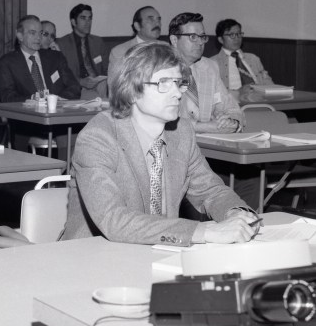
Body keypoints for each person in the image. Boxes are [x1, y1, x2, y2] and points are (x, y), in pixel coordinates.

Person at [63, 41, 259, 245]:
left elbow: (210, 190)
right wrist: (203, 231)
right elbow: (114, 221)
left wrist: (236, 214)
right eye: (163, 83)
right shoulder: (98, 137)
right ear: (132, 90)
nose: (177, 93)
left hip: (161, 253)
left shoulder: (181, 131)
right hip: (94, 256)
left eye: (179, 82)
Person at [168, 12, 243, 132]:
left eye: (202, 37)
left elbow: (233, 109)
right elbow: (161, 120)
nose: (200, 42)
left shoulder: (210, 68)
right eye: (193, 37)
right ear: (174, 40)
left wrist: (231, 122)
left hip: (209, 142)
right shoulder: (159, 69)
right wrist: (205, 127)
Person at [0, 15, 81, 103]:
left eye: (40, 33)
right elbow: (7, 97)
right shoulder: (7, 62)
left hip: (58, 111)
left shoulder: (56, 57)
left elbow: (74, 87)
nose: (38, 37)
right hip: (27, 113)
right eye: (32, 33)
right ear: (20, 35)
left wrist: (56, 100)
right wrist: (33, 100)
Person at [55, 3, 108, 99]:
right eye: (83, 18)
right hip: (79, 86)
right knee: (95, 97)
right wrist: (80, 81)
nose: (88, 22)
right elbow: (61, 74)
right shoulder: (62, 44)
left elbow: (106, 68)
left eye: (90, 18)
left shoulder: (97, 42)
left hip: (100, 84)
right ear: (73, 22)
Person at [210, 18, 273, 97]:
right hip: (232, 104)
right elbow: (212, 94)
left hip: (259, 101)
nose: (237, 38)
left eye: (239, 34)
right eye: (231, 35)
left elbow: (269, 84)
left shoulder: (253, 59)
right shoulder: (212, 63)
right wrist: (238, 92)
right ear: (220, 39)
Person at [108, 5, 163, 79]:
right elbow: (114, 86)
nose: (157, 24)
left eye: (158, 20)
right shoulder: (120, 52)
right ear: (137, 26)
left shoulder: (169, 49)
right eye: (151, 20)